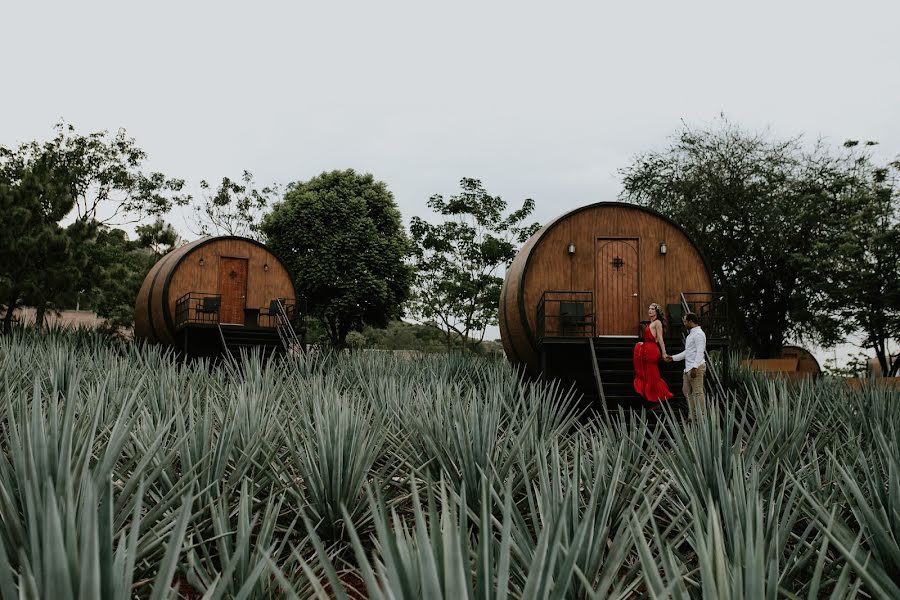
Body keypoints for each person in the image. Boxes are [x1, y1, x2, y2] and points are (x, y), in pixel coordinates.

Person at [665, 312, 707, 420]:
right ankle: (692, 414)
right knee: (686, 391)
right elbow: (687, 352)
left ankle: (701, 416)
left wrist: (695, 367)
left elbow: (700, 352)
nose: (684, 323)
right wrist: (673, 358)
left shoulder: (699, 334)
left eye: (685, 321)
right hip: (688, 368)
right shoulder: (690, 335)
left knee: (698, 392)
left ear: (690, 321)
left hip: (695, 367)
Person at [633, 303, 673, 402]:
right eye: (649, 309)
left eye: (652, 309)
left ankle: (655, 395)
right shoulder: (651, 323)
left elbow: (660, 338)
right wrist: (644, 343)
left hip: (652, 351)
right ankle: (650, 395)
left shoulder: (657, 322)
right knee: (649, 372)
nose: (650, 310)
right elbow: (652, 338)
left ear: (656, 312)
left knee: (652, 372)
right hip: (648, 348)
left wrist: (664, 352)